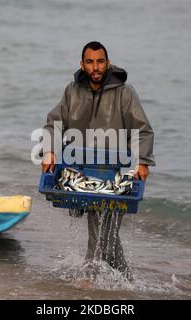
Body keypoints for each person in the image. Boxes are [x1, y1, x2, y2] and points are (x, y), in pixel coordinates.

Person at [41, 41, 155, 278]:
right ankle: (123, 283)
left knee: (104, 235)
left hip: (116, 175)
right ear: (82, 65)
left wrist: (142, 161)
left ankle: (91, 281)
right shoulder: (72, 91)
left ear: (108, 63)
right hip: (82, 172)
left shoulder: (125, 93)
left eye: (100, 61)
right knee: (103, 235)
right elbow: (54, 123)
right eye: (90, 62)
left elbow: (142, 129)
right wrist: (50, 150)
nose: (96, 67)